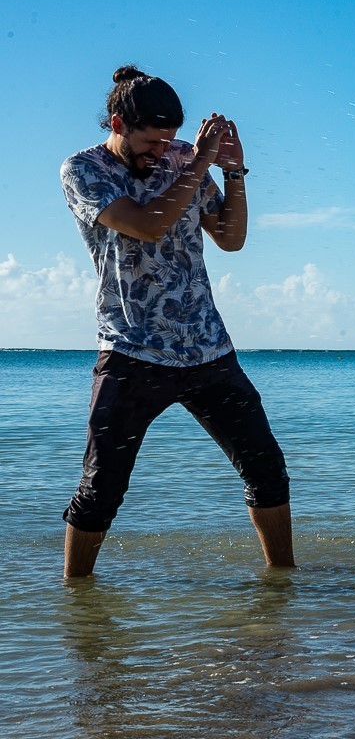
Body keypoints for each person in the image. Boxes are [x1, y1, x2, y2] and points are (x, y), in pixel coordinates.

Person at [59, 65, 294, 576]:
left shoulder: (186, 159)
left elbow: (230, 239)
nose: (163, 151)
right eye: (151, 141)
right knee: (102, 489)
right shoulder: (85, 170)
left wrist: (232, 173)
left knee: (267, 469)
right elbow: (147, 225)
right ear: (118, 123)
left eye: (170, 141)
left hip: (208, 349)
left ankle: (285, 585)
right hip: (130, 352)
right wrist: (202, 159)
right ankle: (76, 606)